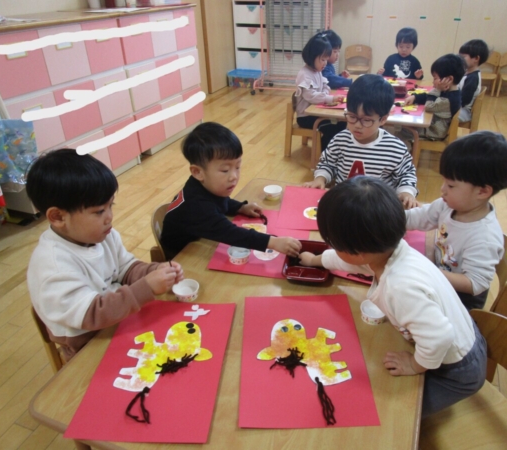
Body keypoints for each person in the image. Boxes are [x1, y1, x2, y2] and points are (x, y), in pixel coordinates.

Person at [298, 176, 487, 418]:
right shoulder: (386, 250)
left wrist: (414, 365)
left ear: (357, 252)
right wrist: (315, 260)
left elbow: (440, 338)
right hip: (455, 336)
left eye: (333, 243)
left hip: (457, 371)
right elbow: (348, 261)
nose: (333, 248)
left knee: (394, 417)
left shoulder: (401, 286)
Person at [26, 149, 184, 361]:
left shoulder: (102, 235)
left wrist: (154, 271)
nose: (109, 217)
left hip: (120, 322)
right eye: (99, 211)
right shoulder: (53, 265)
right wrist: (146, 287)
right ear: (58, 217)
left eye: (111, 205)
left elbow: (126, 269)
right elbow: (92, 313)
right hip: (88, 346)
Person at [405, 131, 507, 310]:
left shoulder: (484, 237)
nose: (442, 189)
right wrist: (388, 218)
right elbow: (420, 217)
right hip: (441, 276)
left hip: (461, 300)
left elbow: (475, 283)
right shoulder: (448, 205)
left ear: (482, 191)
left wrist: (430, 272)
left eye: (451, 185)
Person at [160, 122, 302, 259]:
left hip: (200, 241)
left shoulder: (207, 186)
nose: (234, 176)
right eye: (225, 170)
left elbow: (219, 200)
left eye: (237, 167)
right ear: (197, 172)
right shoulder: (196, 207)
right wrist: (273, 242)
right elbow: (231, 234)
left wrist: (240, 207)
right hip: (180, 258)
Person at [303, 74, 418, 209]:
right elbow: (328, 164)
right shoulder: (340, 140)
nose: (357, 125)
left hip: (378, 208)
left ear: (383, 119)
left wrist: (406, 192)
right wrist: (320, 178)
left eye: (366, 120)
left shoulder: (395, 147)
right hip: (344, 204)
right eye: (352, 116)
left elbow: (406, 174)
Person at [295, 33, 347, 152]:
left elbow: (326, 86)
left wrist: (324, 94)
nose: (325, 63)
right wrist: (329, 98)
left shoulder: (317, 71)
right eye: (322, 59)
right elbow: (311, 96)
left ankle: (334, 152)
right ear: (312, 56)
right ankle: (324, 154)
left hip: (316, 112)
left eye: (326, 59)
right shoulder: (305, 74)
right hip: (306, 117)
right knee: (332, 127)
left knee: (341, 123)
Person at [404, 54, 465, 140]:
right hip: (434, 125)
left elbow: (429, 106)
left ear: (449, 79)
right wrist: (415, 97)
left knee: (403, 130)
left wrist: (437, 89)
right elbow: (430, 96)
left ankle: (406, 147)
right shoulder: (450, 91)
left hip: (434, 132)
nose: (433, 82)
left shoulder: (448, 100)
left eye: (435, 78)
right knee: (405, 126)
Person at [458, 39, 489, 122]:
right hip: (459, 107)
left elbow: (464, 100)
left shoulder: (473, 78)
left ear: (476, 58)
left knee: (437, 112)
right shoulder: (466, 72)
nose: (460, 59)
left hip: (463, 111)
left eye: (463, 57)